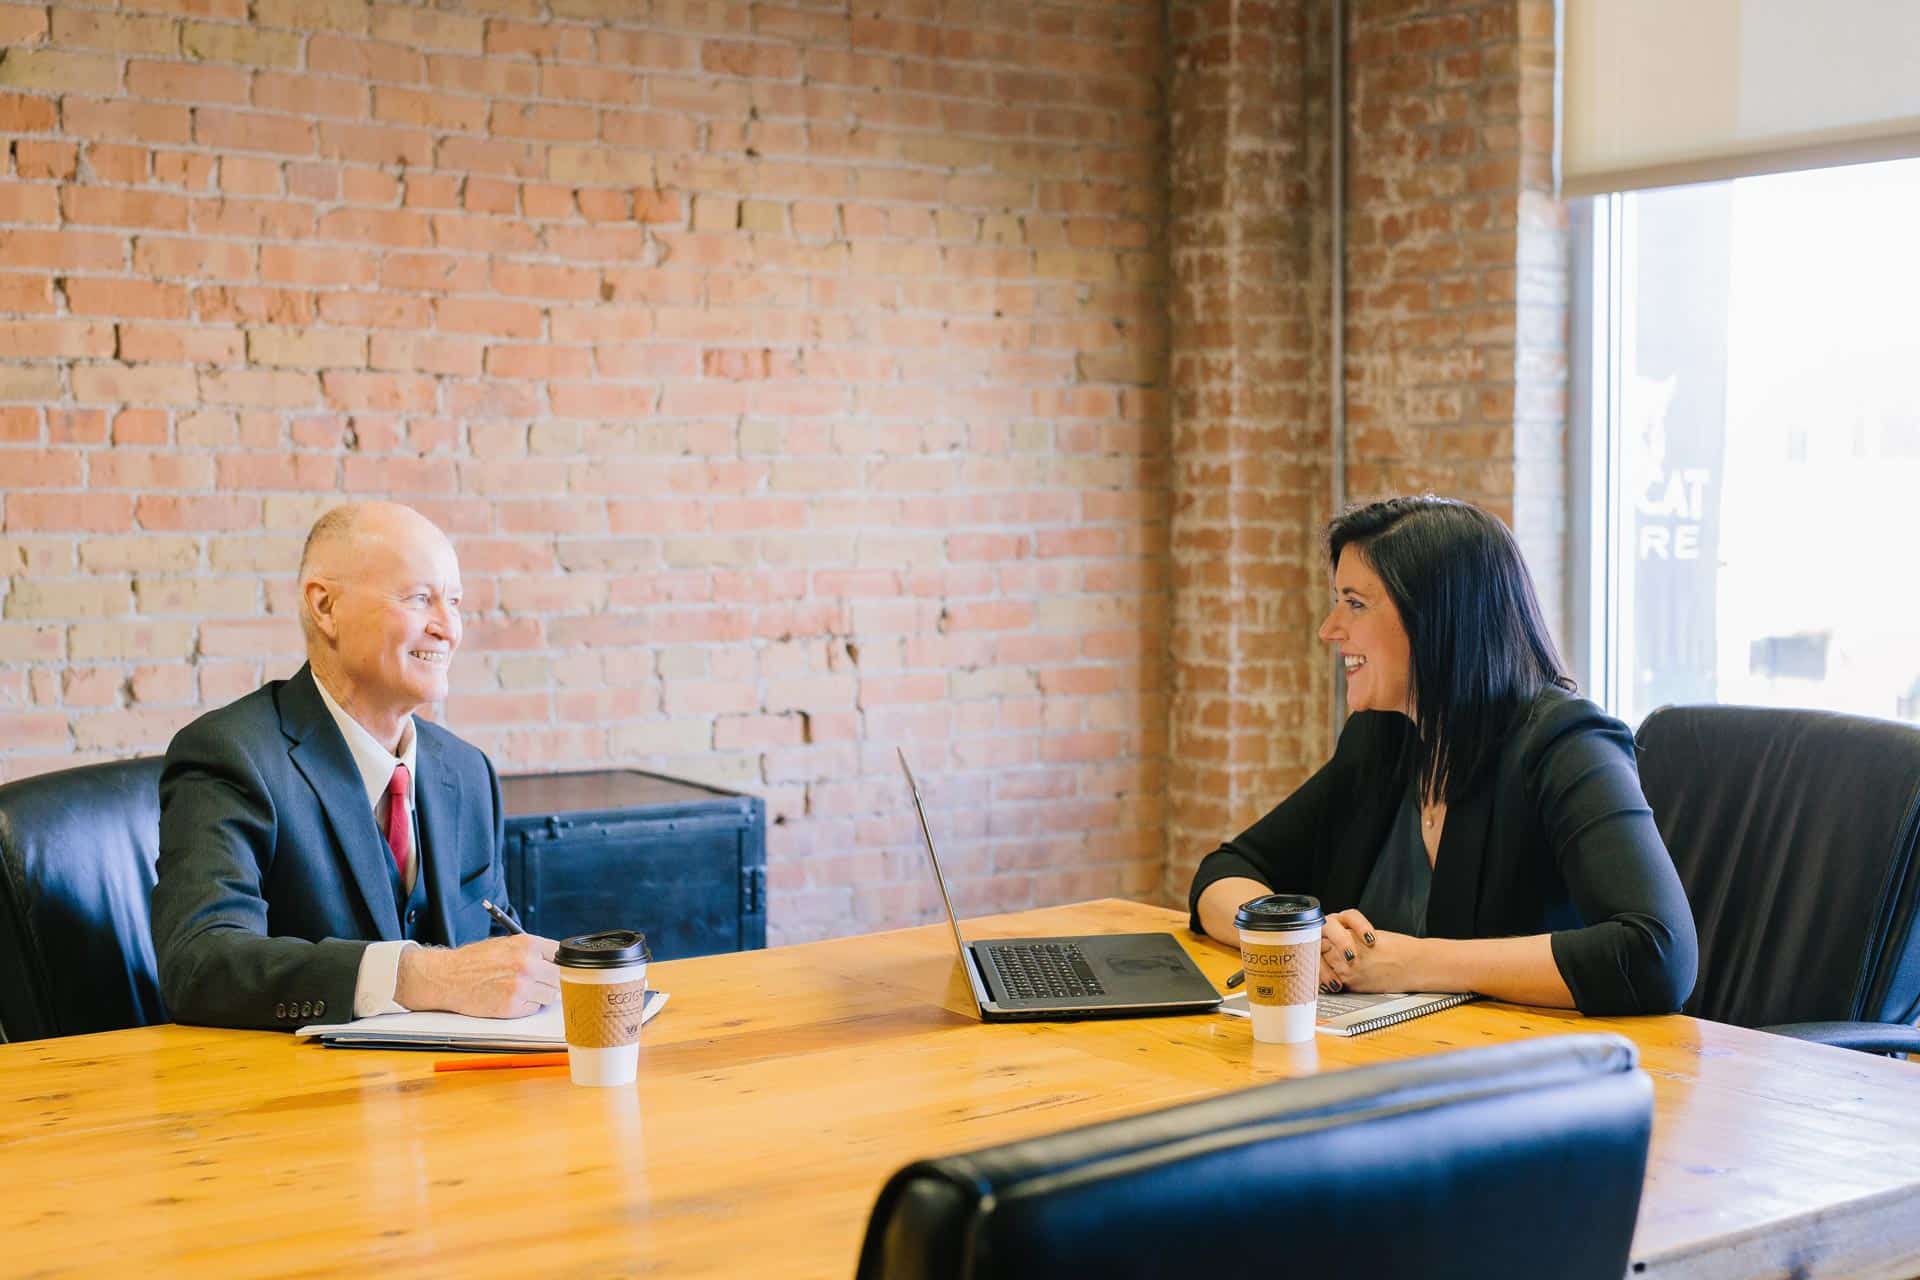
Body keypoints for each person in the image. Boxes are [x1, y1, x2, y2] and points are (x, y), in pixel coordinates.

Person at [1189, 496, 1697, 1015]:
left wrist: (1411, 963)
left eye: (1355, 603)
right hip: (1403, 1062)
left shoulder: (1568, 743)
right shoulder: (1384, 738)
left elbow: (1656, 955)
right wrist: (1299, 941)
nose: (1330, 628)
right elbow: (1226, 870)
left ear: (1436, 619)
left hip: (1531, 1072)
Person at [152, 502, 559, 1030]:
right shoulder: (230, 754)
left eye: (454, 602)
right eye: (419, 599)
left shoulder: (467, 770)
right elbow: (198, 966)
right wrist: (419, 976)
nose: (448, 628)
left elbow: (494, 954)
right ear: (325, 607)